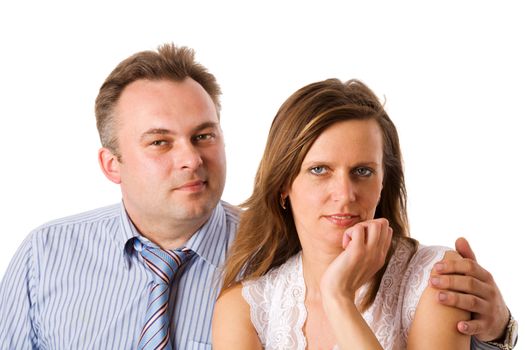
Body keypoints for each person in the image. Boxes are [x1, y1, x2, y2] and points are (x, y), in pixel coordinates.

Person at [0, 45, 516, 349]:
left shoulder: (275, 251)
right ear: (111, 164)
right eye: (161, 141)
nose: (190, 158)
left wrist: (497, 330)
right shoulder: (44, 259)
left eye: (204, 135)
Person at [212, 79, 518, 349]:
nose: (345, 194)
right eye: (320, 170)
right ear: (282, 186)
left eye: (362, 171)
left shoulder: (435, 277)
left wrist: (339, 298)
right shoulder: (245, 309)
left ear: (384, 181)